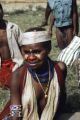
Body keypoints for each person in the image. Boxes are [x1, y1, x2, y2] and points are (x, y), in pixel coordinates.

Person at [6, 27, 67, 120]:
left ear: (48, 49)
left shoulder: (59, 69)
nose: (31, 57)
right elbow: (15, 109)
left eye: (37, 52)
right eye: (26, 52)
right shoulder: (17, 76)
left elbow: (62, 95)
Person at [0, 3, 23, 119]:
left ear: (2, 11)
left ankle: (15, 115)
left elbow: (24, 46)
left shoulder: (13, 28)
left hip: (16, 64)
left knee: (15, 89)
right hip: (2, 68)